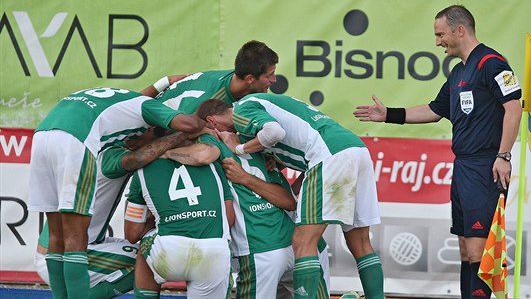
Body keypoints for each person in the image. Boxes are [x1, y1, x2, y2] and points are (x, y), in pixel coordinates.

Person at [353, 5, 522, 299]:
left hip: (485, 166)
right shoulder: (458, 72)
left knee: (478, 249)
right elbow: (434, 110)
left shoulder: (493, 64)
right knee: (465, 251)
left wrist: (503, 156)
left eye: (440, 34)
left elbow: (514, 108)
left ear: (460, 30)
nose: (437, 42)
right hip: (464, 167)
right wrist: (388, 114)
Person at [27, 84, 209, 299]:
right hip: (76, 141)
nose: (133, 139)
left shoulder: (123, 104)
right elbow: (141, 155)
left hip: (43, 134)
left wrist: (164, 81)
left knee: (61, 237)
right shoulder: (112, 151)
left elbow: (136, 105)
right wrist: (189, 132)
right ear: (151, 127)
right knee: (149, 255)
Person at [208, 95, 384, 299]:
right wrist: (278, 162)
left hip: (329, 156)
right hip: (356, 149)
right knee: (360, 243)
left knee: (302, 241)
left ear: (212, 121)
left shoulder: (242, 108)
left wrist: (238, 148)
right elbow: (295, 142)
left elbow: (274, 132)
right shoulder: (268, 111)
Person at [195, 99, 331, 298]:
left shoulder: (221, 144)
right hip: (300, 245)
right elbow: (290, 199)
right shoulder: (259, 144)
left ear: (210, 121)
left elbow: (201, 156)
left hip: (261, 245)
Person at [123, 141, 235, 299]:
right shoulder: (213, 165)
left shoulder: (141, 172)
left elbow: (132, 233)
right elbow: (229, 218)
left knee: (145, 245)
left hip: (169, 254)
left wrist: (158, 218)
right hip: (213, 253)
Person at [156, 39, 278, 113]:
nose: (274, 80)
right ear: (250, 79)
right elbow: (174, 134)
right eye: (269, 75)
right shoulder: (208, 101)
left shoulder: (243, 77)